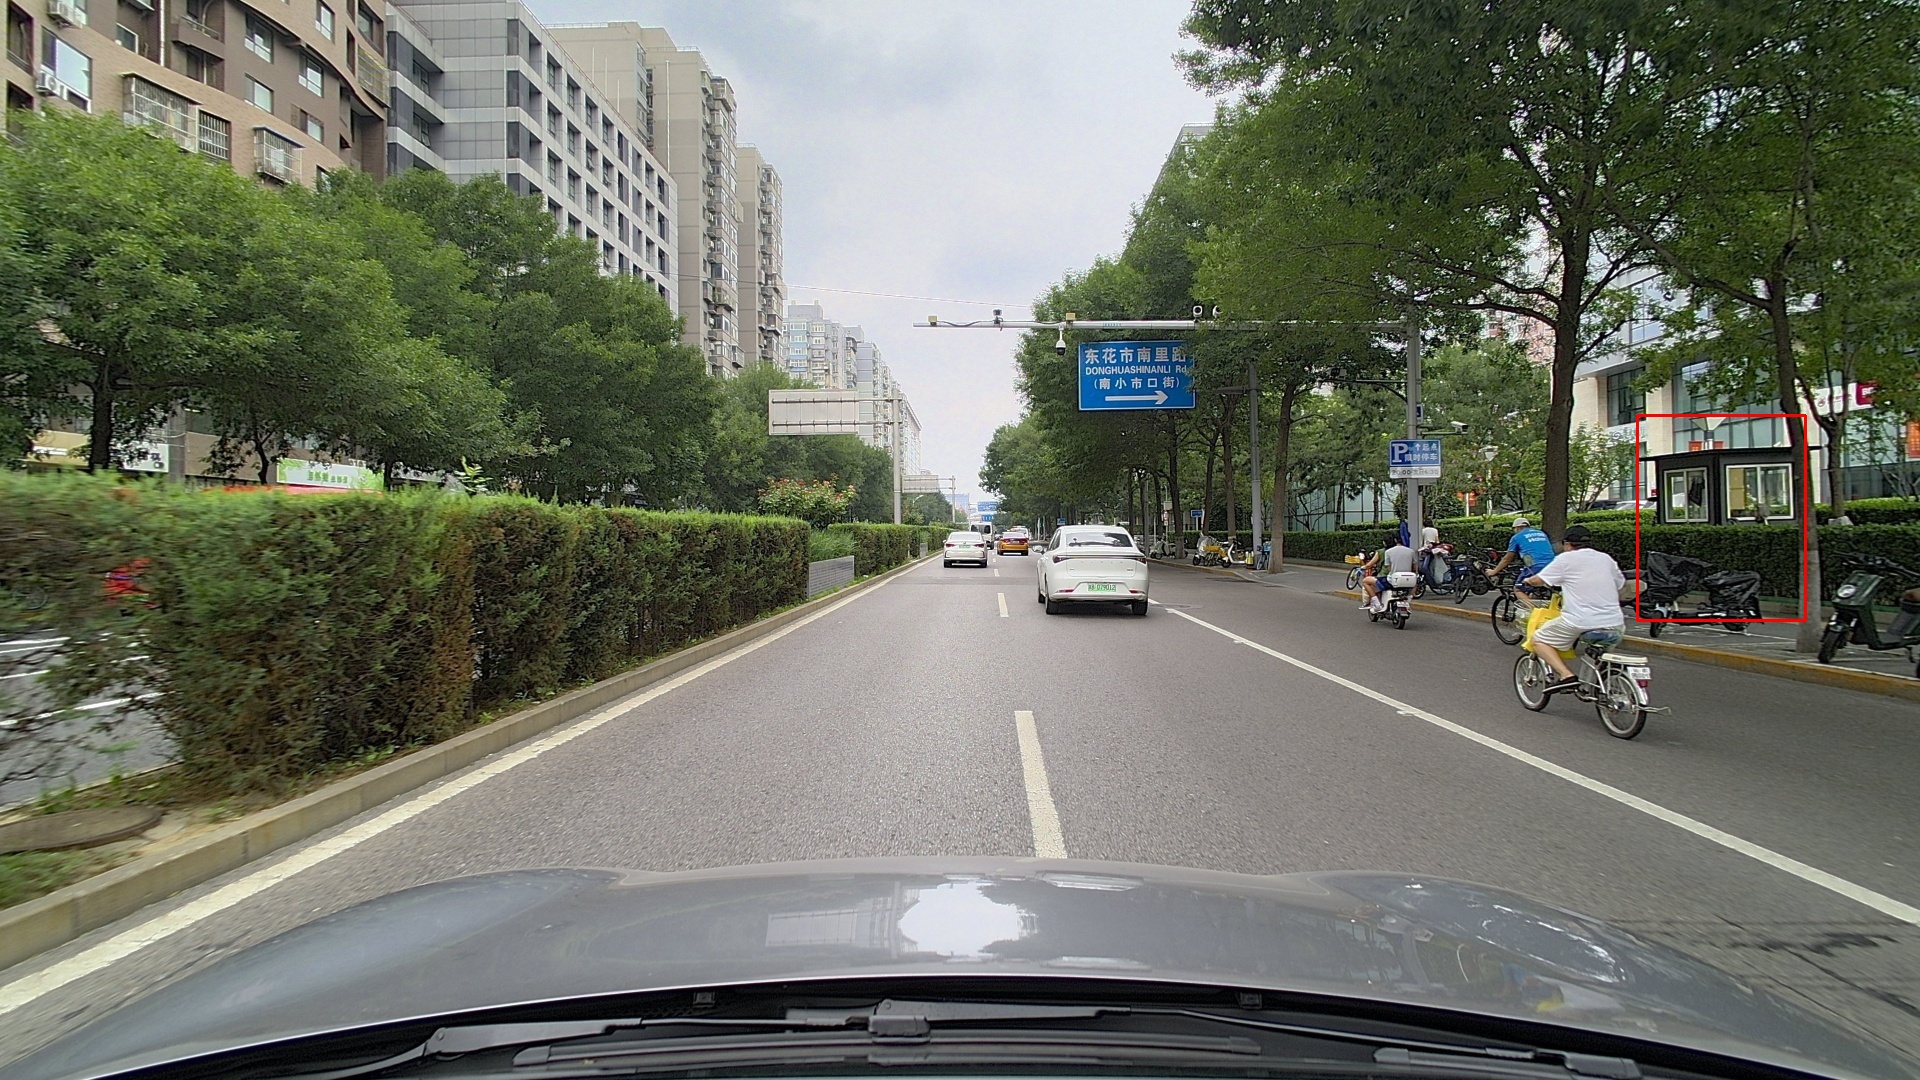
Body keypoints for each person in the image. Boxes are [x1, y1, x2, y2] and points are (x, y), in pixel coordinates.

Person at [1523, 524, 1626, 691]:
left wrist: (1527, 581)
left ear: (1567, 544)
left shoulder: (1565, 559)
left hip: (1580, 620)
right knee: (1598, 653)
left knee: (1538, 639)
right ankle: (1594, 686)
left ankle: (1566, 676)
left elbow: (1539, 580)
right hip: (1615, 622)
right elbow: (1619, 584)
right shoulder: (1605, 558)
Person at [1490, 516, 1556, 593]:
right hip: (1552, 565)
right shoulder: (1541, 533)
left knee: (1518, 588)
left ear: (1517, 528)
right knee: (1538, 589)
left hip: (1535, 566)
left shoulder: (1516, 537)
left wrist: (1494, 571)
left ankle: (1528, 601)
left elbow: (1507, 559)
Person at [1362, 538, 1417, 612]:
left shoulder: (1388, 552)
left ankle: (1377, 604)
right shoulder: (1411, 551)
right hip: (1409, 581)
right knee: (1415, 584)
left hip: (1392, 581)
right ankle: (1408, 600)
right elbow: (1415, 568)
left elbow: (1389, 568)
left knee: (1366, 581)